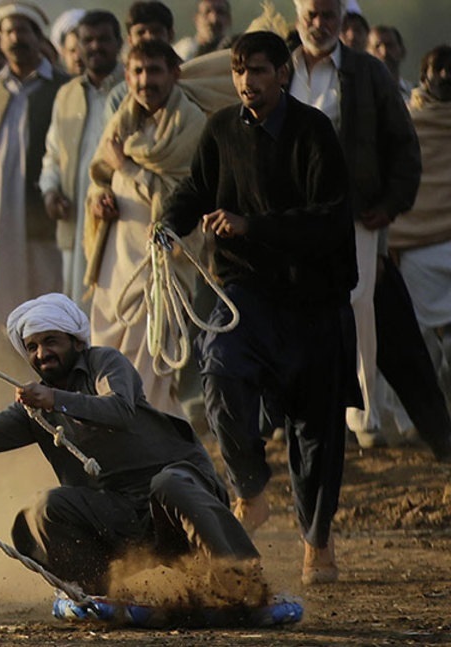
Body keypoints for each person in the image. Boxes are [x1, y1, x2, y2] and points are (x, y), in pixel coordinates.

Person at [0, 293, 261, 596]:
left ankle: (242, 581)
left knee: (167, 484)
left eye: (51, 341)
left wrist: (58, 400)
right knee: (44, 507)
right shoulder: (35, 410)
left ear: (76, 342)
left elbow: (120, 409)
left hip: (182, 496)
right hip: (124, 520)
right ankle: (106, 592)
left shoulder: (106, 363)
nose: (41, 353)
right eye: (32, 347)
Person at [160, 31, 356, 585]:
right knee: (219, 370)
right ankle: (249, 487)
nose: (248, 82)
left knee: (315, 428)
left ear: (283, 73)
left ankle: (316, 541)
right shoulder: (221, 130)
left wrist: (253, 225)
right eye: (240, 71)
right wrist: (168, 225)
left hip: (313, 299)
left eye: (260, 71)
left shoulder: (313, 132)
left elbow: (332, 218)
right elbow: (195, 191)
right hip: (243, 292)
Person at [288, 0, 422, 449]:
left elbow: (403, 143)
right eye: (311, 14)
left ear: (343, 19)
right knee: (297, 312)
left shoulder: (368, 72)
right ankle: (309, 416)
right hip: (289, 217)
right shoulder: (277, 65)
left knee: (357, 311)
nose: (319, 23)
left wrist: (390, 204)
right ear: (297, 13)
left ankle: (364, 418)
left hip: (354, 215)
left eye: (329, 15)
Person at [83, 39, 206, 418]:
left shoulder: (191, 124)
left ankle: (157, 443)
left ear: (175, 73)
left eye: (154, 70)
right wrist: (99, 198)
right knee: (109, 358)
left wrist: (126, 169)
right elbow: (99, 174)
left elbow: (184, 196)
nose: (144, 80)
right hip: (116, 263)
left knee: (152, 365)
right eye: (137, 71)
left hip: (162, 265)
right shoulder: (123, 119)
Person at [0, 0, 67, 410]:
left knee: (49, 316)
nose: (16, 38)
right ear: (0, 40)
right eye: (9, 32)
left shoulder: (62, 87)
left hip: (44, 225)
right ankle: (3, 407)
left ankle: (58, 401)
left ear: (40, 38)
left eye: (25, 30)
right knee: (1, 320)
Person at [384, 45, 451, 462]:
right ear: (424, 75)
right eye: (437, 68)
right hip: (415, 248)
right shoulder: (406, 124)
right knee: (420, 346)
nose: (445, 75)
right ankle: (419, 423)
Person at [38, 10, 124, 303]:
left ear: (119, 43)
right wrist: (50, 193)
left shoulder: (132, 90)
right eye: (88, 40)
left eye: (104, 39)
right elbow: (52, 155)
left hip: (121, 217)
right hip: (75, 220)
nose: (96, 46)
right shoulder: (67, 94)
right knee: (77, 307)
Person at [103, 2, 175, 120]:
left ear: (170, 35)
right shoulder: (119, 97)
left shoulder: (193, 78)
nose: (149, 38)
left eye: (156, 31)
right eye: (141, 33)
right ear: (130, 40)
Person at [368, 26, 412, 100]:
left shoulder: (413, 94)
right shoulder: (362, 95)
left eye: (390, 45)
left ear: (402, 50)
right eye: (377, 46)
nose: (384, 52)